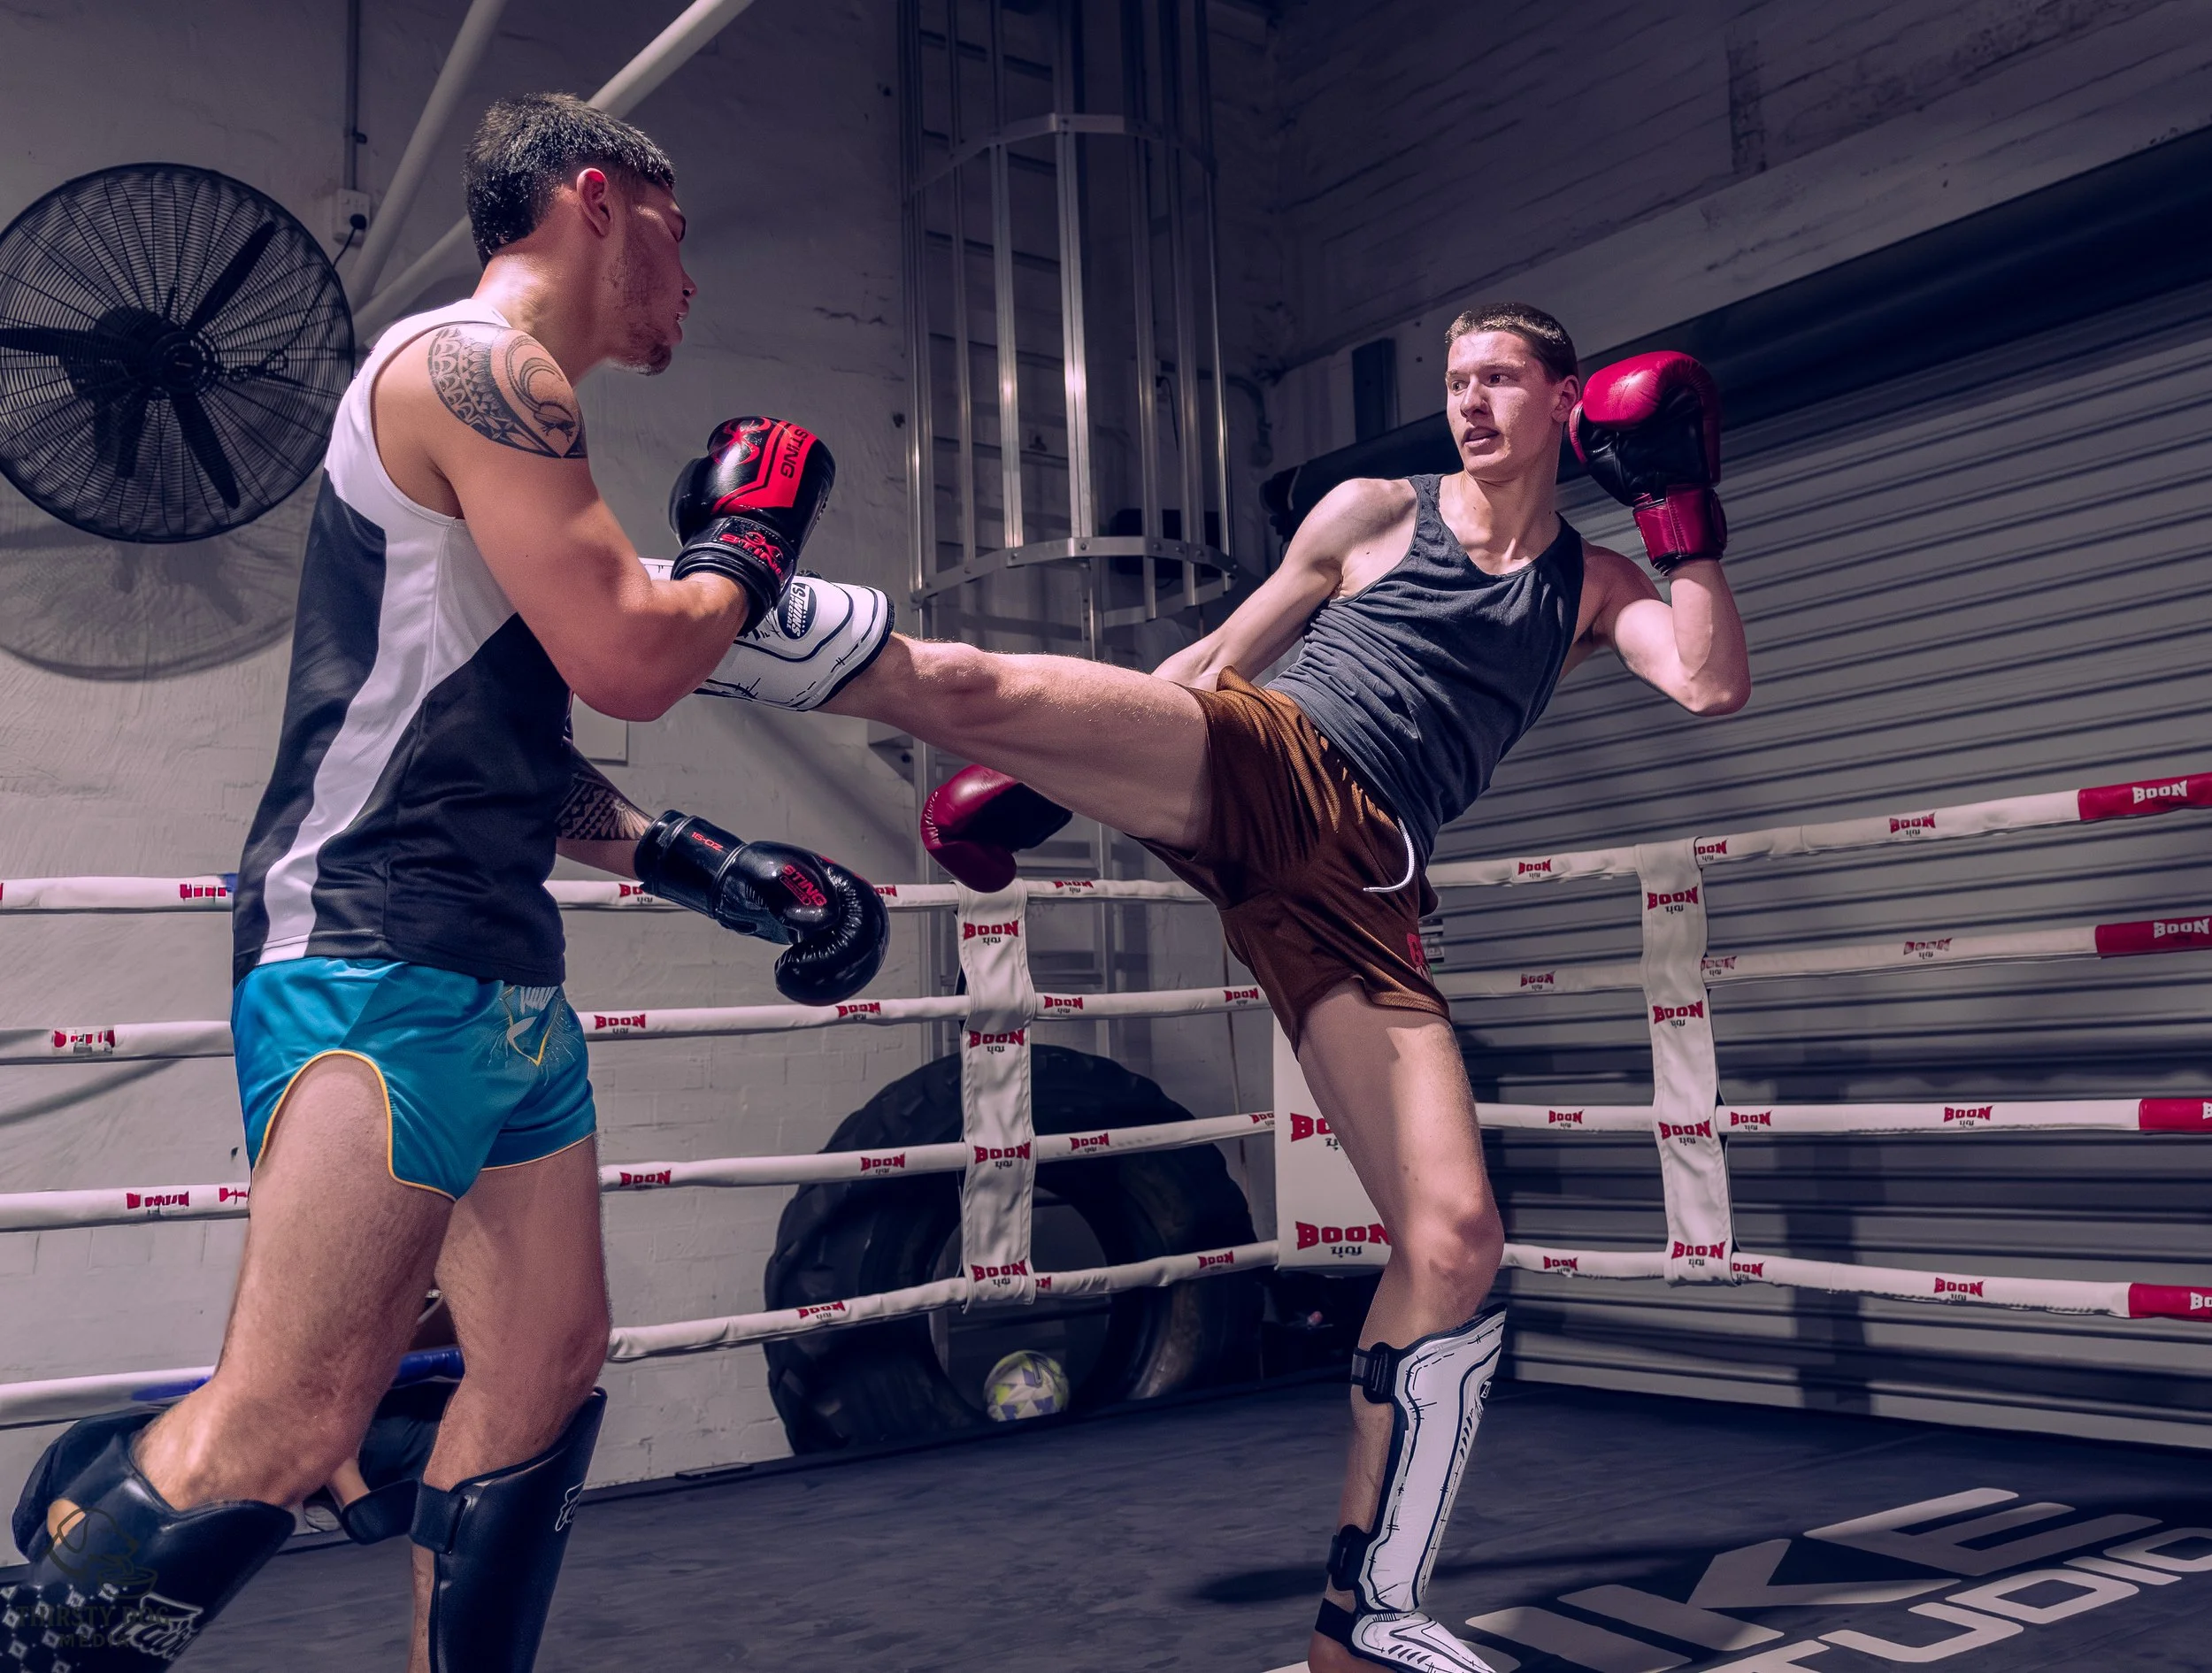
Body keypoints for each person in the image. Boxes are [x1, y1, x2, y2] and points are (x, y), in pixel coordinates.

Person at [673, 303, 1749, 1672]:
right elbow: (1215, 666)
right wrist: (1063, 776)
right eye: (1456, 379)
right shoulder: (1372, 511)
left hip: (1361, 889)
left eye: (1499, 380)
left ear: (1566, 400)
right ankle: (679, 593)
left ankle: (1367, 1621)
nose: (1471, 404)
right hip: (1271, 756)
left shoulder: (1589, 585)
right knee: (969, 684)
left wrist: (1682, 515)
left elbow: (1712, 684)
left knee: (1456, 1240)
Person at [5, 93, 884, 1673]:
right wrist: (751, 541)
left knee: (544, 1367)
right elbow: (633, 647)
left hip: (496, 969)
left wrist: (709, 864)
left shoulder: (510, 418)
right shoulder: (475, 366)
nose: (692, 290)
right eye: (681, 244)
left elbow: (495, 747)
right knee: (290, 1423)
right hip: (377, 949)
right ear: (598, 200)